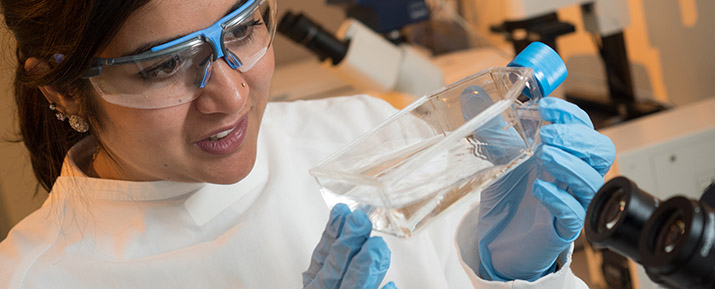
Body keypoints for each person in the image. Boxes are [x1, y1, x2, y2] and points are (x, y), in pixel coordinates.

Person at [0, 0, 615, 288]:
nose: (232, 97)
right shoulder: (37, 279)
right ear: (62, 92)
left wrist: (516, 276)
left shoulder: (364, 134)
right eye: (164, 67)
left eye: (241, 29)